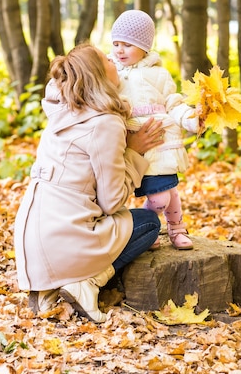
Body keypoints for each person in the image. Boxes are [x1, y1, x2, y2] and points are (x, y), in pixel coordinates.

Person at [14, 43, 165, 323]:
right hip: (65, 237)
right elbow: (111, 202)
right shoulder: (105, 123)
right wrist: (134, 152)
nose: (113, 58)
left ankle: (51, 286)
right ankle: (87, 282)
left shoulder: (63, 108)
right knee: (149, 223)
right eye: (106, 58)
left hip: (31, 239)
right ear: (98, 74)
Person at [109, 9, 201, 251]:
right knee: (157, 194)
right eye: (116, 43)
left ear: (144, 47)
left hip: (160, 143)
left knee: (165, 192)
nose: (120, 50)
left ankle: (175, 228)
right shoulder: (111, 73)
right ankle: (146, 226)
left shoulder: (158, 74)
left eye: (128, 45)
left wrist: (191, 120)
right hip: (130, 143)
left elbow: (174, 103)